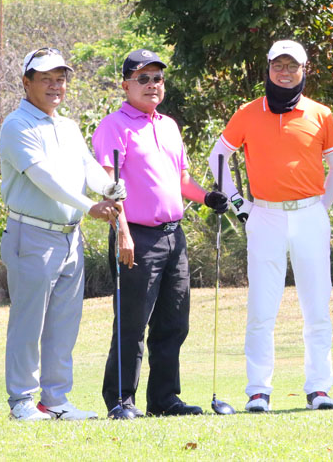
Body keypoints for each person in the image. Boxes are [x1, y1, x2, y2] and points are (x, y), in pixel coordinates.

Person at [208, 40, 333, 412]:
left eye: (292, 66)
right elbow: (218, 156)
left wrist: (320, 208)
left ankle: (319, 388)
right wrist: (240, 205)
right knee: (261, 308)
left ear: (304, 69)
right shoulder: (247, 113)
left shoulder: (321, 114)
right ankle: (258, 390)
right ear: (268, 68)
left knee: (317, 307)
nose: (285, 72)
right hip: (264, 215)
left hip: (310, 215)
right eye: (278, 65)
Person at [92, 49, 229, 417]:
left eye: (157, 78)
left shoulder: (168, 125)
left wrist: (207, 197)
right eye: (143, 78)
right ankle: (121, 400)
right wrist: (122, 233)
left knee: (173, 323)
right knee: (132, 323)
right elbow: (109, 186)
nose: (152, 85)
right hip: (136, 236)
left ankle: (164, 399)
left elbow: (181, 179)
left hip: (172, 237)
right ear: (126, 86)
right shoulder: (113, 126)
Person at [0, 47, 125, 421]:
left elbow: (88, 167)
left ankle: (54, 399)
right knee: (29, 322)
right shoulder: (16, 125)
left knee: (63, 323)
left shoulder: (67, 126)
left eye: (61, 79)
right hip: (31, 234)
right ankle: (22, 401)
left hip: (70, 237)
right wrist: (90, 206)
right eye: (46, 79)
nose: (56, 86)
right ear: (27, 83)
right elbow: (44, 178)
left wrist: (109, 187)